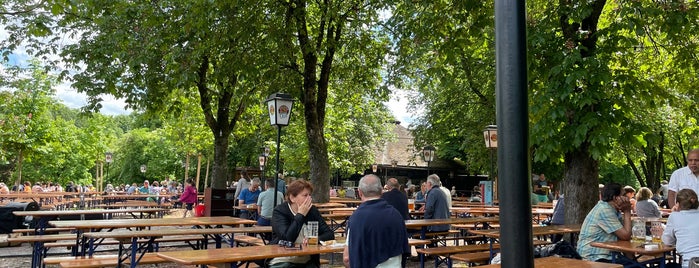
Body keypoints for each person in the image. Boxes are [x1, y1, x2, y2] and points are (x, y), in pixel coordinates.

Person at [343, 174, 410, 268]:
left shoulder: (357, 218)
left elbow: (347, 258)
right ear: (381, 191)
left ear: (359, 192)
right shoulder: (396, 215)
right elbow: (403, 251)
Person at [270, 179, 334, 268]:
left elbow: (330, 234)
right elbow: (287, 239)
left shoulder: (312, 211)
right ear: (292, 198)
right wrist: (300, 215)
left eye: (310, 195)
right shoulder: (280, 211)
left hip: (307, 259)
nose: (309, 198)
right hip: (282, 259)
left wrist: (315, 240)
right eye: (305, 195)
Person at [577, 183, 634, 265]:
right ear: (615, 198)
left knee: (634, 264)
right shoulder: (605, 209)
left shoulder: (611, 209)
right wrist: (627, 211)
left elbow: (624, 236)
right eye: (624, 195)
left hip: (606, 255)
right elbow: (625, 235)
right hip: (593, 257)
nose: (627, 198)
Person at [661, 189, 699, 268]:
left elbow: (667, 241)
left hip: (690, 263)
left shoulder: (675, 216)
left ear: (677, 204)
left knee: (669, 266)